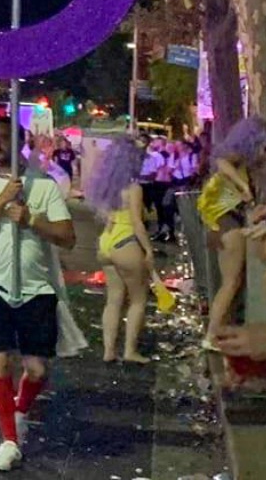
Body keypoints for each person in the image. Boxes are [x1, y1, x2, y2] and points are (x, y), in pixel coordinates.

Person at [0, 119, 76, 472]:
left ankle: (20, 410)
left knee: (37, 369)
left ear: (21, 142)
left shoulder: (44, 185)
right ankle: (9, 441)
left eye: (5, 139)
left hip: (36, 288)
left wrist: (31, 219)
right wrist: (2, 198)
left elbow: (67, 236)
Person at [198, 118, 266, 347]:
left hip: (223, 223)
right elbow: (222, 163)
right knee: (230, 283)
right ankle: (212, 334)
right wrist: (244, 186)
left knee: (232, 283)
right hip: (228, 222)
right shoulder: (234, 160)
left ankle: (218, 334)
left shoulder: (241, 162)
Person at [85, 137, 156, 362]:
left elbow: (107, 218)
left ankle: (108, 351)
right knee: (138, 299)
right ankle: (129, 351)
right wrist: (148, 250)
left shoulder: (109, 187)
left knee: (113, 298)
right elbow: (137, 222)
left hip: (107, 241)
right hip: (127, 242)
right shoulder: (134, 188)